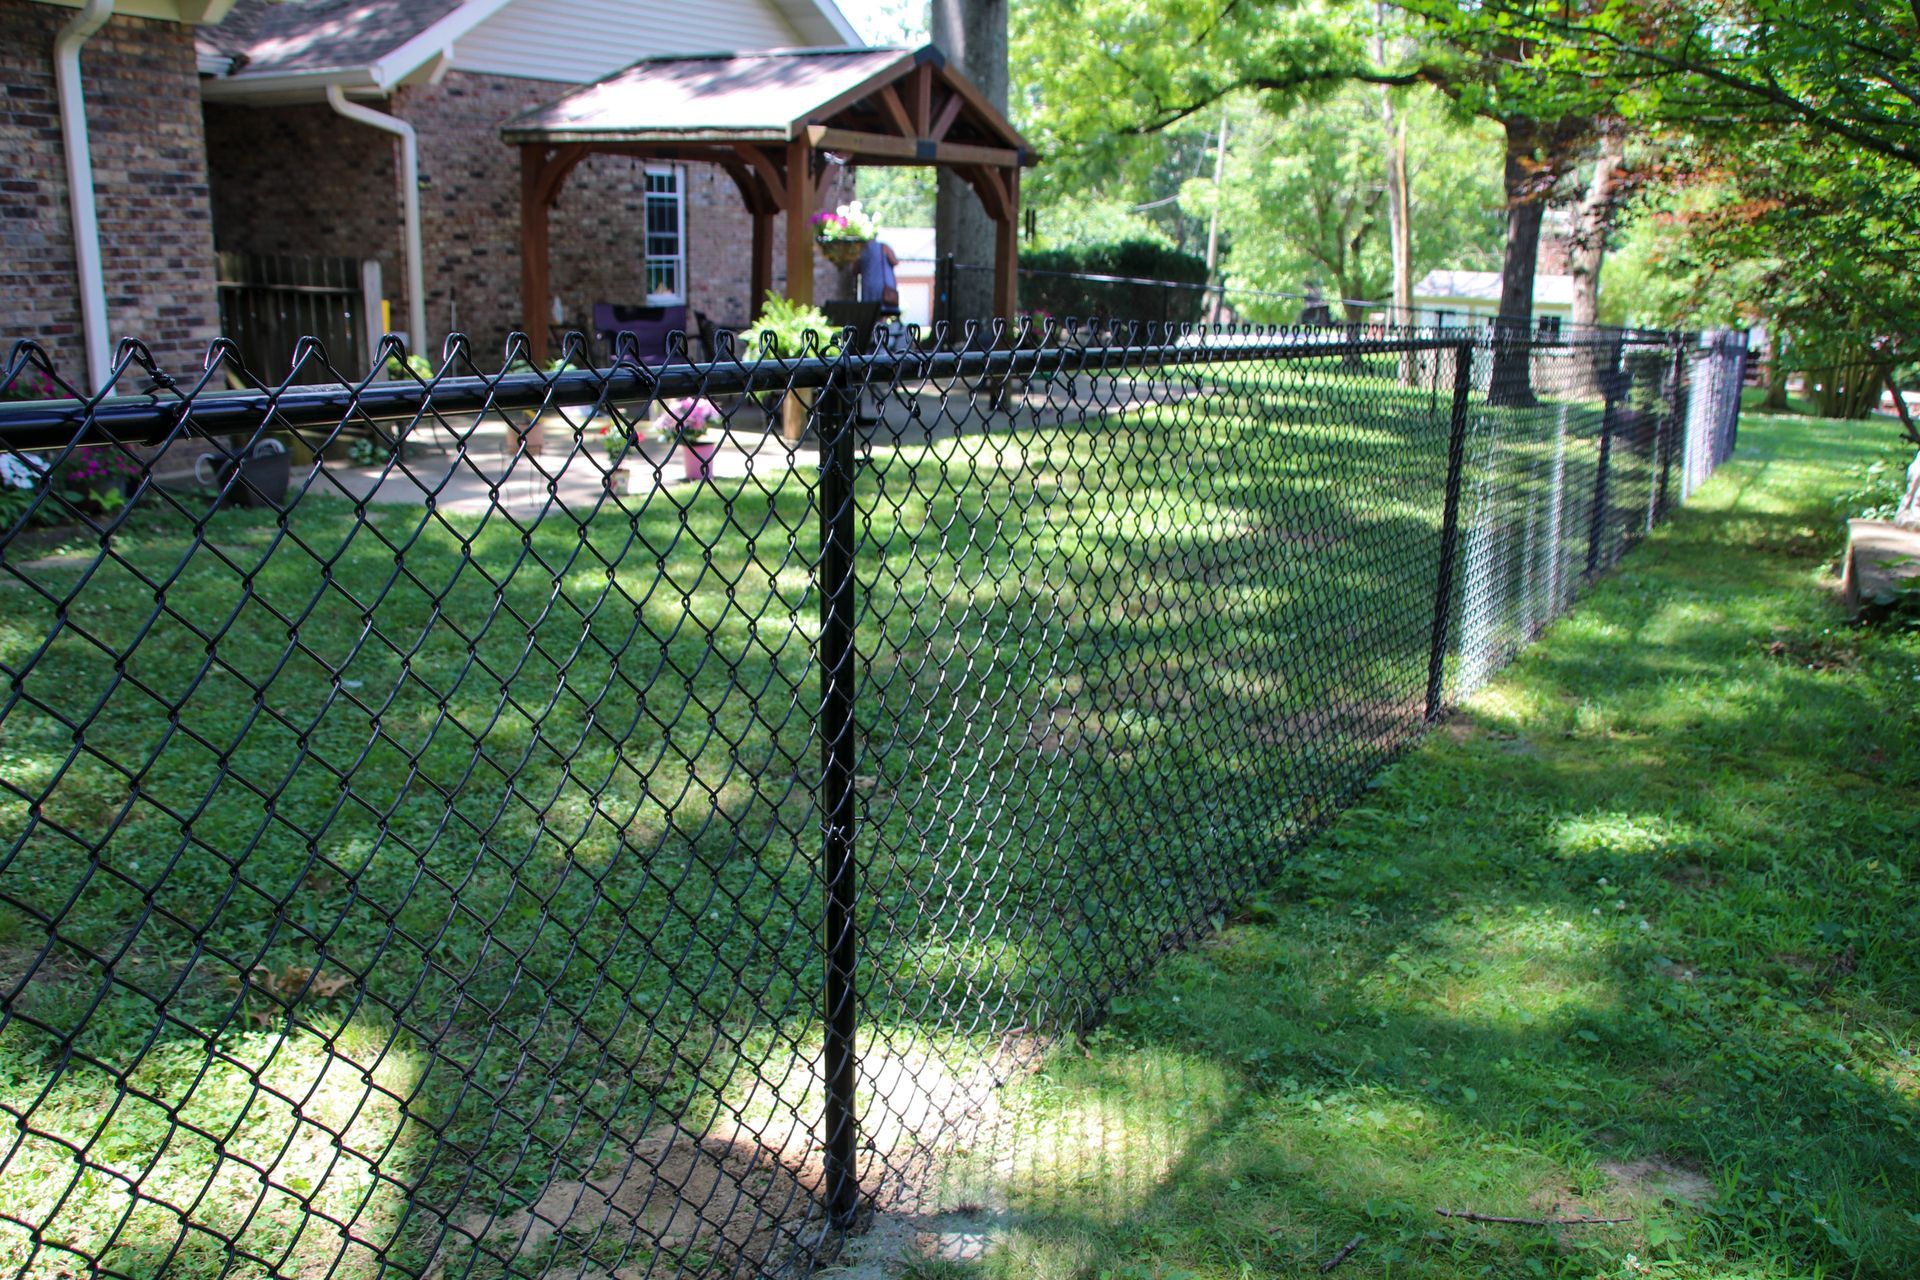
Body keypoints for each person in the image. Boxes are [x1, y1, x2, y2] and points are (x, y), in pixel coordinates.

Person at [856, 238, 904, 424]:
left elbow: (855, 268)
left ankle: (878, 348)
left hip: (869, 289)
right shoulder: (883, 246)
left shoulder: (861, 250)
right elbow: (895, 260)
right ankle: (881, 348)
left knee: (875, 319)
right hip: (883, 289)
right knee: (882, 319)